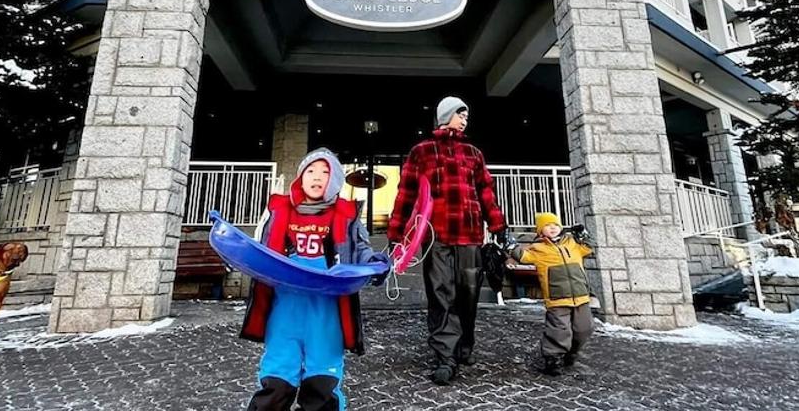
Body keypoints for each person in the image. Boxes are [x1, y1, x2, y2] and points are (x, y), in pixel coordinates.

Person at [241, 148, 389, 410]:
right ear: (301, 177)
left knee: (321, 381)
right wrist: (234, 252)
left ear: (335, 180)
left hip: (326, 314)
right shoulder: (278, 211)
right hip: (284, 311)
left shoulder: (346, 216)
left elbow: (361, 250)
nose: (317, 177)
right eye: (310, 171)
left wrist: (374, 264)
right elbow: (259, 250)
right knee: (277, 376)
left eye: (325, 172)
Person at [388, 96, 510, 385]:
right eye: (460, 114)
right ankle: (446, 356)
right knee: (441, 294)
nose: (465, 120)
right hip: (437, 236)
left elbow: (486, 192)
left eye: (466, 116)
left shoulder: (473, 153)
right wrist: (396, 233)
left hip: (470, 235)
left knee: (468, 295)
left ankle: (464, 344)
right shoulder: (421, 152)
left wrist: (498, 224)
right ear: (445, 116)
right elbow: (406, 193)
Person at [510, 213, 594, 376]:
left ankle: (572, 352)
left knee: (584, 328)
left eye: (555, 224)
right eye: (547, 225)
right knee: (559, 330)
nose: (553, 228)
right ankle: (553, 358)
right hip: (557, 298)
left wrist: (583, 236)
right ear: (540, 230)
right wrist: (510, 246)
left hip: (581, 295)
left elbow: (589, 247)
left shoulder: (572, 243)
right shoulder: (538, 248)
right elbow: (523, 256)